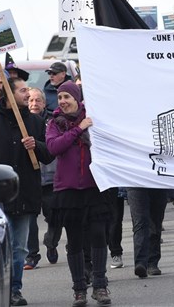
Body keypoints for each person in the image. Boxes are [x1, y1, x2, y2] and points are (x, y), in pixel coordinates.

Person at [0, 76, 53, 306]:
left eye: (28, 90)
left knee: (19, 248)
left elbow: (49, 153)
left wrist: (35, 146)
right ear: (9, 94)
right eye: (22, 90)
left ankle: (14, 290)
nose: (27, 94)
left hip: (25, 194)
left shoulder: (36, 122)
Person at [45, 81, 112, 306]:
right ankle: (79, 289)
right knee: (74, 241)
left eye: (67, 97)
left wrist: (87, 125)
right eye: (60, 97)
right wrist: (78, 128)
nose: (63, 101)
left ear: (77, 99)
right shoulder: (55, 123)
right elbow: (54, 148)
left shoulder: (92, 118)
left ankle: (100, 285)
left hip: (94, 188)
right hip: (68, 191)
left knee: (98, 235)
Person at [24, 88, 60, 269]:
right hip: (30, 179)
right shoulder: (21, 122)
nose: (33, 104)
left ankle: (51, 242)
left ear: (44, 103)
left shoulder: (53, 122)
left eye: (37, 100)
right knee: (30, 218)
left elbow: (53, 147)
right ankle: (32, 255)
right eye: (30, 100)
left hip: (51, 178)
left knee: (54, 215)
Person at [126, 188, 168, 278]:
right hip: (135, 183)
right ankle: (140, 262)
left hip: (157, 183)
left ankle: (152, 262)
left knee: (155, 222)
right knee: (140, 222)